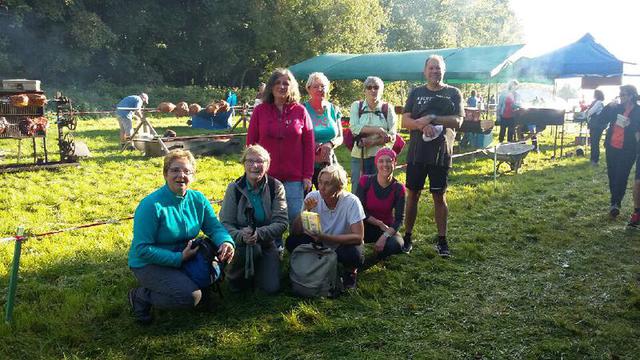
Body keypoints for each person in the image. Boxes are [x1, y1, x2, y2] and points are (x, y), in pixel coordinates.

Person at [127, 150, 235, 324]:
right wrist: (178, 258)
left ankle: (194, 287)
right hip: (148, 263)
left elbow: (214, 227)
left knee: (215, 261)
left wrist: (226, 241)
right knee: (190, 297)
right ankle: (141, 296)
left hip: (185, 256)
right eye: (175, 170)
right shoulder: (151, 205)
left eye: (186, 171)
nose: (181, 176)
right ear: (165, 174)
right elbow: (141, 249)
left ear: (193, 175)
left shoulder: (198, 199)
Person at [401, 54, 464, 257]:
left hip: (441, 153)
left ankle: (442, 241)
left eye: (438, 68)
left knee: (439, 195)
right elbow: (405, 121)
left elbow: (458, 121)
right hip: (417, 153)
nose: (435, 71)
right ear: (425, 71)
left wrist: (435, 118)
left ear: (443, 71)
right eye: (431, 68)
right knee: (413, 195)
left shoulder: (453, 93)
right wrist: (423, 124)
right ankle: (407, 237)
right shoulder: (416, 93)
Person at [247, 68, 315, 225]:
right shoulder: (260, 111)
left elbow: (308, 146)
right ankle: (273, 248)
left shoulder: (301, 111)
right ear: (271, 86)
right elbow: (251, 144)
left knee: (295, 218)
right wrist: (251, 170)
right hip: (265, 175)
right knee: (268, 217)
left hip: (294, 177)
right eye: (278, 83)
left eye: (286, 83)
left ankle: (297, 248)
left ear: (292, 87)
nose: (282, 86)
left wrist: (307, 175)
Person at [219, 145, 288, 293]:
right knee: (239, 289)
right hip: (240, 245)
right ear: (243, 164)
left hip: (266, 243)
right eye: (250, 161)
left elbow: (282, 223)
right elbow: (225, 223)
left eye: (260, 161)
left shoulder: (275, 187)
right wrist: (240, 236)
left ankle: (258, 273)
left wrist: (259, 234)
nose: (255, 166)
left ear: (267, 165)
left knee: (270, 289)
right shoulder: (234, 188)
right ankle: (234, 277)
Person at [286, 164, 365, 289]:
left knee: (355, 254)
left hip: (340, 244)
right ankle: (312, 265)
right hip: (318, 242)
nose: (321, 187)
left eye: (327, 184)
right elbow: (295, 231)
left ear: (339, 187)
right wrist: (305, 211)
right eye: (320, 182)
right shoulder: (312, 197)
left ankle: (350, 272)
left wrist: (325, 237)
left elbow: (358, 237)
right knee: (292, 241)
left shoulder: (351, 201)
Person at [356, 148, 405, 261]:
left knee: (397, 244)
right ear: (376, 163)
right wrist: (378, 223)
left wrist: (385, 236)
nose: (385, 164)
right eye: (381, 161)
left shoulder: (398, 188)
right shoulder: (365, 181)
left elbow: (399, 219)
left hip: (386, 228)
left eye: (389, 161)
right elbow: (358, 210)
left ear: (395, 163)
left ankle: (374, 258)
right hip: (364, 225)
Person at [349, 76, 397, 192]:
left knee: (378, 189)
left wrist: (372, 142)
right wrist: (378, 130)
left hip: (381, 157)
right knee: (357, 188)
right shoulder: (357, 106)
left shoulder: (387, 108)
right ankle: (357, 210)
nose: (372, 90)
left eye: (376, 87)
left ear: (381, 90)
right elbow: (354, 128)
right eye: (369, 87)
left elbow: (392, 135)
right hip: (359, 156)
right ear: (364, 90)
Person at [601, 85, 640, 219]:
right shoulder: (616, 108)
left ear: (630, 96)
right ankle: (614, 201)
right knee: (612, 175)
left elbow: (638, 129)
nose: (620, 97)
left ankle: (616, 203)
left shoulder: (638, 111)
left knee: (621, 175)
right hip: (612, 146)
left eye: (623, 94)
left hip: (628, 149)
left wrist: (630, 124)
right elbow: (602, 119)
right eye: (620, 94)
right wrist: (608, 106)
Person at [303, 72, 344, 188]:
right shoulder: (302, 109)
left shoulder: (334, 109)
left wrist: (330, 144)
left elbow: (340, 137)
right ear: (309, 89)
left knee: (331, 198)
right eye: (315, 86)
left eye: (323, 86)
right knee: (307, 200)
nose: (319, 89)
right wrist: (313, 146)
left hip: (329, 163)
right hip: (307, 164)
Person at [586, 89, 606, 165]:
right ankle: (594, 159)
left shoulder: (598, 102)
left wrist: (587, 113)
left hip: (596, 126)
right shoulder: (600, 103)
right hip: (598, 126)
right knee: (595, 142)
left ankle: (594, 159)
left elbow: (591, 112)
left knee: (594, 142)